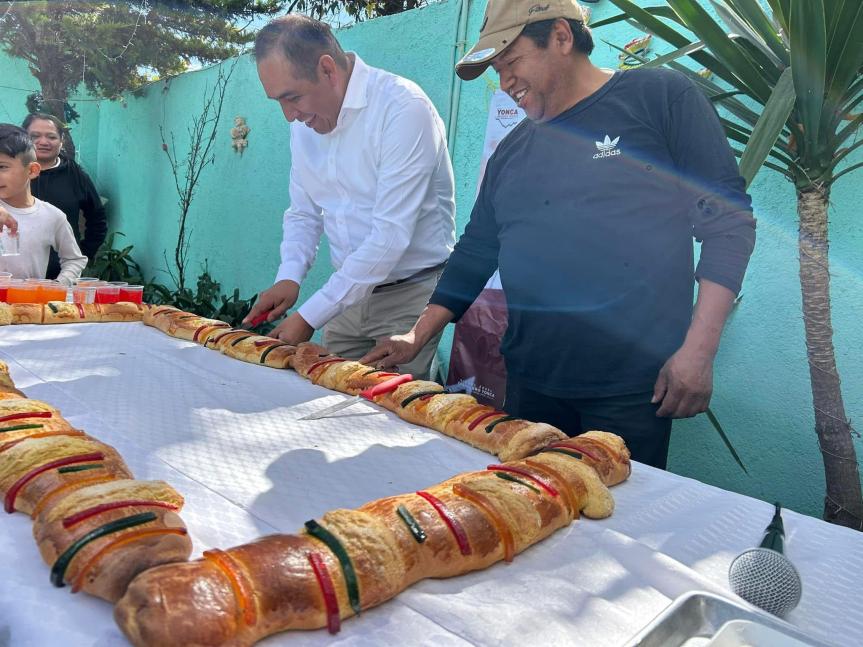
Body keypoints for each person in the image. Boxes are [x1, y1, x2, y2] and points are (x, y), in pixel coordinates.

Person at [362, 0, 757, 469]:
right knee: (529, 514)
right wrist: (416, 334)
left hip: (630, 389)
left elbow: (728, 225)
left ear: (562, 38)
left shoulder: (659, 98)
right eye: (497, 69)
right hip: (531, 384)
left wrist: (698, 351)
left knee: (614, 521)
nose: (505, 82)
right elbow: (477, 249)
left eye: (510, 62)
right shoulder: (513, 150)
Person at [242, 15, 456, 380]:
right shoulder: (304, 124)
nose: (289, 116)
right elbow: (304, 212)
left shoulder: (403, 109)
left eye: (292, 97)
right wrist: (289, 276)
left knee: (393, 414)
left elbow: (389, 238)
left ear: (327, 69)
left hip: (409, 297)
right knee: (324, 394)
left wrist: (311, 315)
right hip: (346, 293)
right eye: (278, 101)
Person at [0, 124, 87, 285]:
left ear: (32, 170)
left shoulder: (52, 216)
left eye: (2, 167)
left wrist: (57, 288)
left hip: (27, 306)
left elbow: (74, 260)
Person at [22, 113, 107, 275]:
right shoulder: (10, 172)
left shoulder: (75, 174)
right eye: (35, 136)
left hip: (61, 275)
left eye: (51, 137)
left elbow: (97, 217)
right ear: (23, 139)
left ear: (61, 141)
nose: (43, 142)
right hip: (13, 274)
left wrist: (83, 255)